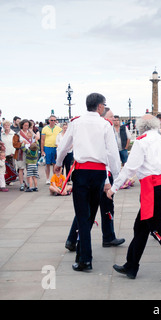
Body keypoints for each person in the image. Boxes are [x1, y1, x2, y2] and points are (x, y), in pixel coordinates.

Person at [109, 114, 161, 283]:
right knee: (140, 227)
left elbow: (130, 168)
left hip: (151, 189)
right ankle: (131, 265)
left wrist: (114, 187)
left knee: (160, 231)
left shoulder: (141, 140)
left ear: (141, 127)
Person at [55, 93, 121, 272]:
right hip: (99, 173)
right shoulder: (105, 124)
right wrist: (117, 178)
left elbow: (63, 146)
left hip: (82, 172)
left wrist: (58, 164)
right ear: (100, 107)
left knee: (84, 216)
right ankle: (83, 256)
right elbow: (112, 154)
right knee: (89, 216)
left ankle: (84, 258)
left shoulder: (76, 122)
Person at [65, 107, 125, 251]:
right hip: (102, 175)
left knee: (89, 209)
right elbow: (105, 157)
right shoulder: (103, 130)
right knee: (97, 209)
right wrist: (108, 181)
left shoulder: (104, 129)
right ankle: (102, 238)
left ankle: (74, 239)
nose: (113, 120)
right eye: (111, 117)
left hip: (100, 174)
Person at [13, 119, 39, 191]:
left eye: (27, 125)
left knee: (29, 169)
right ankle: (21, 184)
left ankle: (29, 184)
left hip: (29, 155)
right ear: (21, 125)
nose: (26, 127)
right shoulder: (17, 134)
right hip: (20, 153)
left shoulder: (30, 133)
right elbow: (14, 144)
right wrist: (22, 143)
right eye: (25, 125)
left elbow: (36, 140)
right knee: (21, 168)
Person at [41, 115, 62, 184]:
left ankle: (54, 178)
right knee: (47, 164)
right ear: (49, 121)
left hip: (56, 148)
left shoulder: (58, 128)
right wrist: (42, 150)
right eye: (52, 120)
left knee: (54, 164)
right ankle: (47, 178)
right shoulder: (45, 128)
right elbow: (42, 140)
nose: (53, 122)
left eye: (54, 120)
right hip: (47, 147)